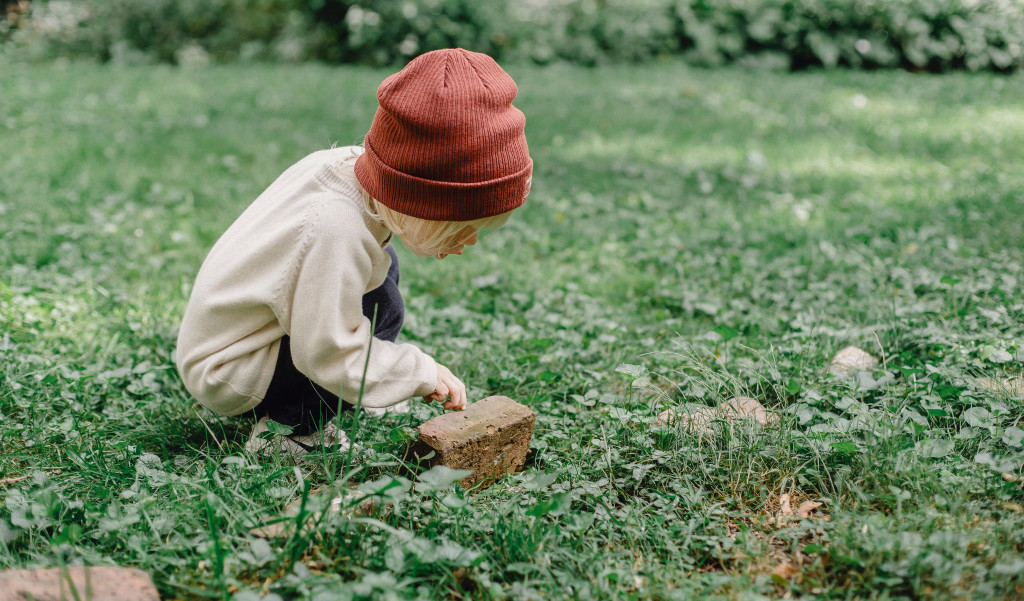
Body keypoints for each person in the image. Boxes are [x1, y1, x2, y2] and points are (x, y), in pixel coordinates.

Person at [174, 48, 533, 455]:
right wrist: (417, 372)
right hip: (229, 367)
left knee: (382, 281)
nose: (468, 242)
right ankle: (289, 432)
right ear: (421, 198)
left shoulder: (353, 174)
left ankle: (356, 386)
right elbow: (327, 353)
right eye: (462, 228)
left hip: (246, 335)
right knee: (381, 311)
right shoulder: (334, 230)